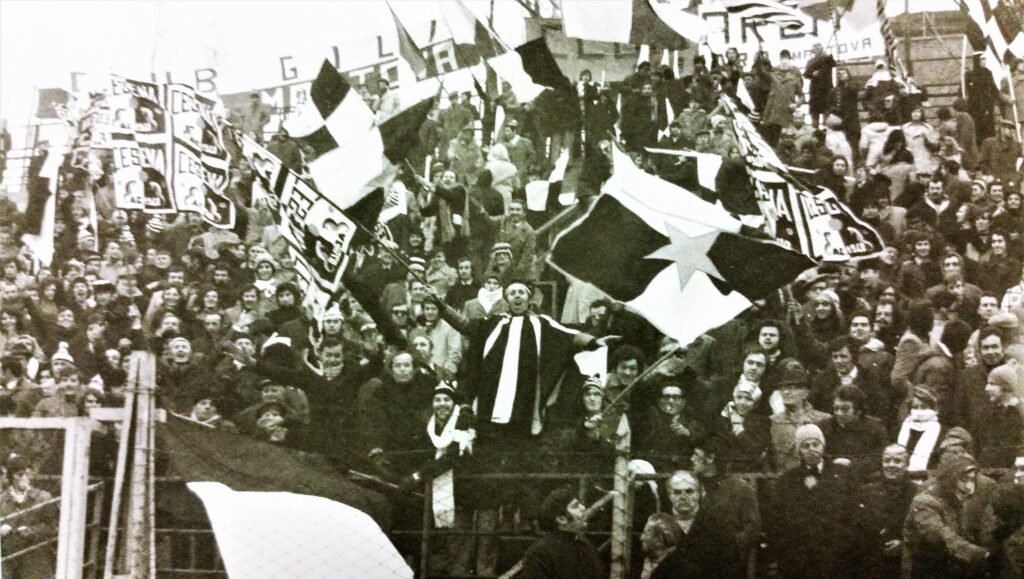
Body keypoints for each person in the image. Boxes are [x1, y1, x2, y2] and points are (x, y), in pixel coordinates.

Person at [766, 424, 852, 578]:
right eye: (805, 446)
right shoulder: (787, 480)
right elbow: (776, 521)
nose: (811, 449)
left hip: (835, 557)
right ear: (799, 450)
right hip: (798, 559)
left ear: (823, 445)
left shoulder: (843, 475)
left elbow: (851, 515)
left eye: (815, 444)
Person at [903, 453, 993, 577]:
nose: (969, 487)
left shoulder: (954, 500)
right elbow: (942, 537)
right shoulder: (924, 502)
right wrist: (980, 555)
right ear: (949, 479)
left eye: (972, 479)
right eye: (964, 479)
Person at [846, 444, 917, 578]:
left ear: (907, 464)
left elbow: (922, 531)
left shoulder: (916, 493)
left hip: (902, 565)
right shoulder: (867, 490)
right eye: (887, 460)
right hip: (871, 565)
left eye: (897, 461)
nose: (891, 465)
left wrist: (904, 545)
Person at [518, 487, 602, 579]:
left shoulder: (587, 546)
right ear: (561, 519)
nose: (583, 508)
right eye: (575, 506)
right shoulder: (540, 552)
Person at [0, 455, 57, 579]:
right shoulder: (1, 500)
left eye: (27, 474)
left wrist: (30, 531)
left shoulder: (43, 497)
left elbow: (53, 528)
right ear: (11, 476)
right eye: (20, 474)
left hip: (36, 561)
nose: (25, 478)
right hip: (10, 561)